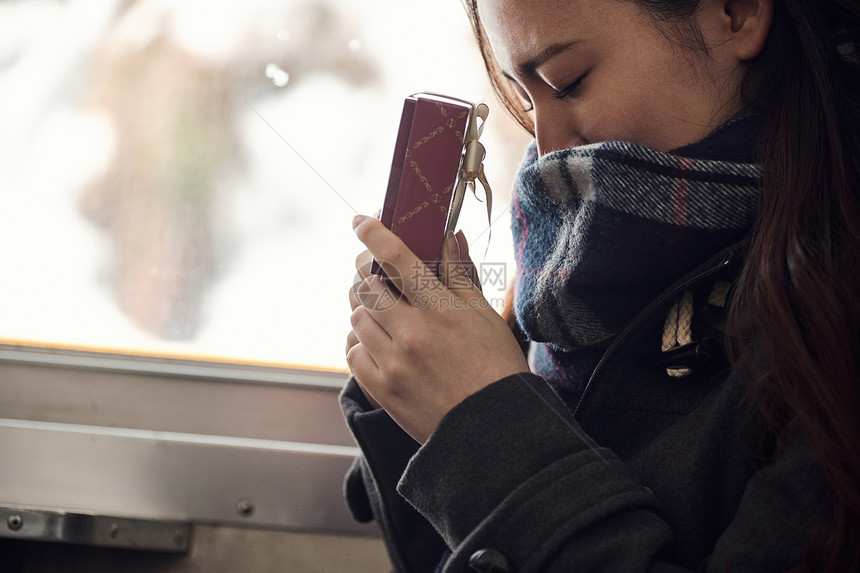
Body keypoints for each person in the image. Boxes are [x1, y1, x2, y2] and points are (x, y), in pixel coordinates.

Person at [342, 0, 860, 571]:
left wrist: (487, 427)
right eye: (523, 96)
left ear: (735, 14)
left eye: (568, 83)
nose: (548, 147)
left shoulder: (835, 312)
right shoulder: (573, 271)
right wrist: (419, 389)